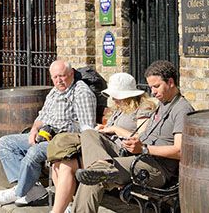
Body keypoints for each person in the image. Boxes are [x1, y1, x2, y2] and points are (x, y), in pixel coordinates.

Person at [71, 60, 194, 213]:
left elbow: (180, 151)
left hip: (155, 168)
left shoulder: (181, 109)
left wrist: (144, 149)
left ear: (170, 82)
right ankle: (102, 167)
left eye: (156, 86)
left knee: (95, 177)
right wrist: (135, 143)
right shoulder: (162, 104)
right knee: (89, 134)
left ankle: (101, 169)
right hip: (137, 157)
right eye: (151, 87)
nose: (153, 92)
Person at [0, 60, 97, 207]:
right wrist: (35, 129)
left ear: (71, 73)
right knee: (6, 143)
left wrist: (59, 132)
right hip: (47, 136)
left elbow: (87, 128)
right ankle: (32, 189)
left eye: (62, 76)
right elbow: (42, 116)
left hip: (65, 141)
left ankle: (18, 192)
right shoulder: (55, 92)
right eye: (55, 77)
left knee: (34, 152)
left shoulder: (81, 92)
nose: (59, 80)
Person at [48, 72, 157, 213]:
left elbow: (141, 139)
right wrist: (104, 129)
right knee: (63, 165)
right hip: (104, 151)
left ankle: (102, 167)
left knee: (87, 137)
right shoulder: (119, 109)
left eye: (117, 96)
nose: (113, 99)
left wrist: (115, 129)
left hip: (122, 153)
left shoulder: (143, 108)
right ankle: (65, 209)